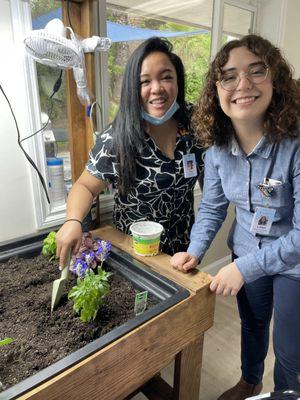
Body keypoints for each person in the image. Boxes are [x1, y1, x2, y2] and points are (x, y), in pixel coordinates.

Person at [170, 34, 300, 399]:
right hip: (245, 246)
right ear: (217, 89)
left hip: (294, 264)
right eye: (229, 76)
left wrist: (242, 269)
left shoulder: (295, 148)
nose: (243, 84)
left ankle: (286, 392)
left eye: (256, 71)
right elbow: (212, 207)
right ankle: (250, 380)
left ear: (276, 80)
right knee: (253, 324)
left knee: (291, 347)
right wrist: (195, 250)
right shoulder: (216, 152)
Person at [56, 37, 204, 266]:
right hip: (136, 256)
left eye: (166, 77)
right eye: (145, 81)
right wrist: (72, 220)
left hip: (184, 254)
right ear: (133, 89)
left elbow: (211, 181)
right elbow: (84, 186)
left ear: (178, 80)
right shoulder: (117, 137)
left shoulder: (194, 124)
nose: (157, 89)